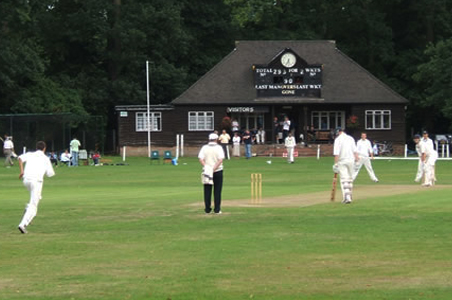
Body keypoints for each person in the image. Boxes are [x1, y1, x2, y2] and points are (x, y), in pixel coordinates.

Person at [17, 141, 55, 234]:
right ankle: (23, 224)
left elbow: (20, 158)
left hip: (26, 180)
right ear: (44, 148)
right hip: (36, 181)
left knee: (35, 198)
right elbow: (50, 174)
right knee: (34, 206)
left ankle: (28, 209)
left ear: (36, 147)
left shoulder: (30, 154)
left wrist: (22, 171)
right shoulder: (45, 158)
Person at [198, 133, 224, 214]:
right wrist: (214, 168)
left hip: (207, 171)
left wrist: (207, 167)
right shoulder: (219, 148)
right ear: (216, 139)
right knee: (217, 190)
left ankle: (207, 209)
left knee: (207, 190)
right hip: (218, 171)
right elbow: (220, 159)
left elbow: (201, 159)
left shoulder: (204, 147)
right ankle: (217, 209)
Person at [333, 127, 359, 204]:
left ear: (338, 132)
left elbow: (336, 153)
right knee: (350, 179)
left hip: (342, 161)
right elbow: (355, 151)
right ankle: (349, 196)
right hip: (351, 160)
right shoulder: (350, 138)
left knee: (344, 179)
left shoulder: (338, 140)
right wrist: (357, 161)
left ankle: (347, 197)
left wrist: (335, 164)